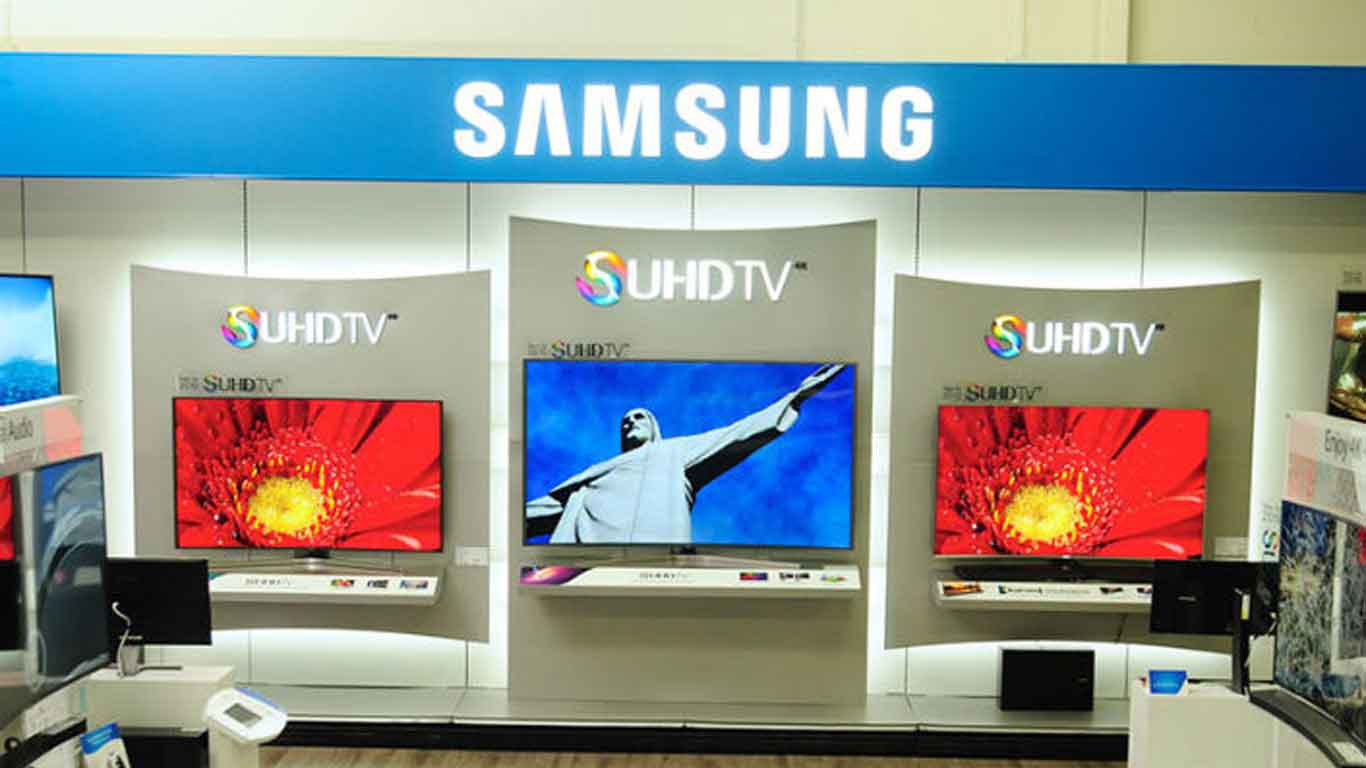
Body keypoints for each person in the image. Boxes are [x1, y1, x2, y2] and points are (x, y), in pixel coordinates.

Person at [525, 363, 846, 544]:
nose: (630, 422)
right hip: (587, 562)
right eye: (624, 421)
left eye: (638, 417)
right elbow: (542, 510)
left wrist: (794, 398)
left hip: (652, 551)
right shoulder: (595, 472)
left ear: (654, 427)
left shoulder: (673, 453)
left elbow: (735, 435)